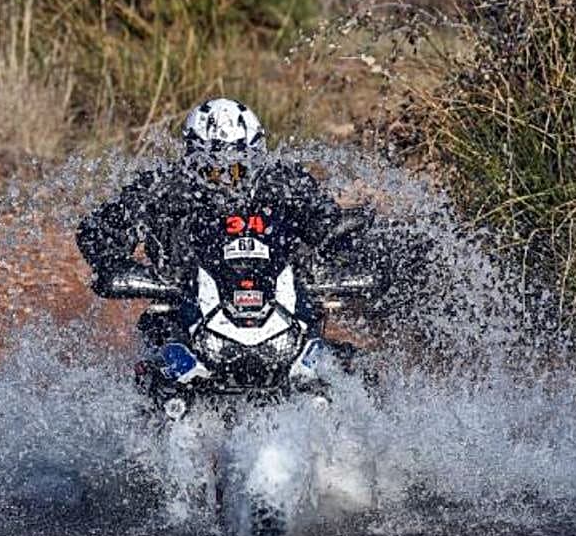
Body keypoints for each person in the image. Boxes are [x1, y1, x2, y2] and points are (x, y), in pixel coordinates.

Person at [76, 98, 373, 358]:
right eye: (214, 170)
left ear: (257, 158)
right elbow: (97, 231)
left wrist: (327, 257)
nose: (228, 181)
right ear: (192, 160)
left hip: (284, 314)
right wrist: (120, 266)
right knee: (150, 371)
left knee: (351, 365)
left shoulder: (287, 184)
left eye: (237, 169)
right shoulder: (162, 189)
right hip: (184, 317)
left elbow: (328, 223)